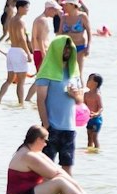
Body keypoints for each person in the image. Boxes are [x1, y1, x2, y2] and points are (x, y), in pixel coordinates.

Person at [30, 35, 81, 176]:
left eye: (69, 49)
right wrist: (46, 125)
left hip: (69, 128)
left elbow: (80, 100)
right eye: (63, 48)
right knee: (46, 169)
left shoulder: (73, 71)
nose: (67, 51)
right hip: (51, 128)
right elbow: (40, 100)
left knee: (67, 168)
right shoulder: (46, 71)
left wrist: (75, 95)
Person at [5, 125, 84, 194]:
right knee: (60, 182)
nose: (45, 144)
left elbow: (58, 170)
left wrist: (77, 186)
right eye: (45, 140)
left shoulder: (35, 152)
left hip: (31, 190)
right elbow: (54, 174)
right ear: (38, 139)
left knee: (61, 179)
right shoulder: (28, 155)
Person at [82, 73, 104, 152]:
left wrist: (96, 113)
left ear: (95, 83)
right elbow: (83, 106)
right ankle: (89, 153)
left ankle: (97, 151)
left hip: (96, 119)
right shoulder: (86, 94)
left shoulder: (97, 95)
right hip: (89, 119)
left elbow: (101, 108)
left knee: (94, 136)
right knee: (89, 137)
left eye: (89, 80)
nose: (87, 81)